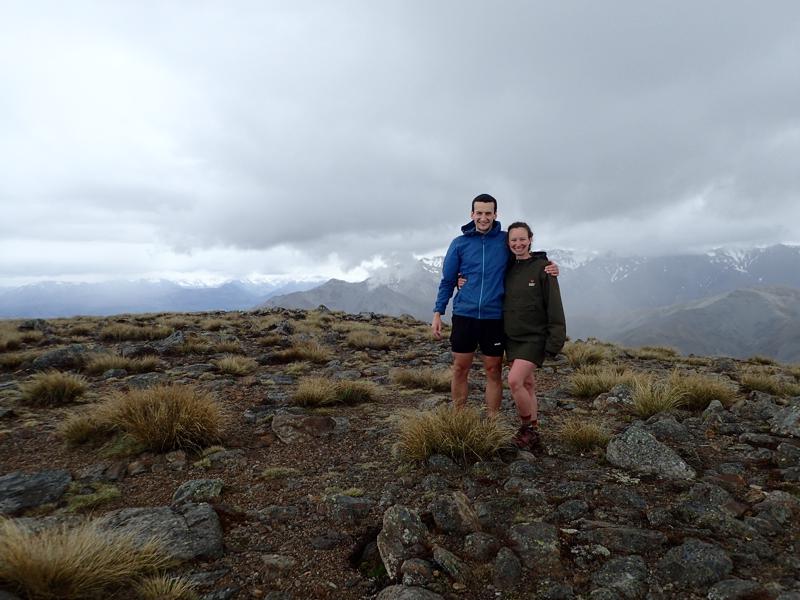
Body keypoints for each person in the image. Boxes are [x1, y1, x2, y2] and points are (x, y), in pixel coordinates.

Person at [431, 194, 559, 417]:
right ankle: (459, 418)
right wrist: (438, 312)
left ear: (495, 214)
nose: (483, 218)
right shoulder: (459, 244)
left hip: (494, 317)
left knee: (493, 371)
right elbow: (448, 280)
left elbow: (523, 254)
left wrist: (547, 264)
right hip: (464, 315)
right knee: (460, 369)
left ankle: (493, 422)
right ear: (472, 214)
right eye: (479, 213)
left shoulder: (503, 240)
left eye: (488, 213)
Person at [503, 221, 566, 451]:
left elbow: (554, 306)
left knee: (514, 381)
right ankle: (535, 431)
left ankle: (526, 428)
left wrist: (555, 341)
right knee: (528, 383)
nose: (518, 243)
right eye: (513, 240)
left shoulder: (544, 268)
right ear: (508, 243)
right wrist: (461, 279)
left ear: (530, 239)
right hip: (512, 337)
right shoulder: (506, 267)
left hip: (534, 337)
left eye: (522, 239)